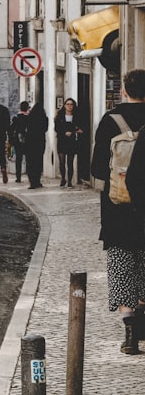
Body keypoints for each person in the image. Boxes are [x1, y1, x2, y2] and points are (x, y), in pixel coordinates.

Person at [89, 69, 145, 354]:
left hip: (118, 209)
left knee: (123, 268)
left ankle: (131, 334)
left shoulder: (110, 121)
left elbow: (98, 168)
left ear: (124, 91)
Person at [55, 98, 88, 187]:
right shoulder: (60, 115)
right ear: (64, 105)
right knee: (62, 162)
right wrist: (64, 132)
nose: (69, 106)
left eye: (71, 104)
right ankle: (63, 179)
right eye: (68, 104)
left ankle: (69, 181)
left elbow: (80, 128)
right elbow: (57, 128)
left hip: (72, 141)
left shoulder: (77, 116)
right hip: (62, 140)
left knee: (70, 162)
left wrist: (74, 131)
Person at [24, 102, 49, 189]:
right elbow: (45, 129)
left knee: (30, 162)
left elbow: (26, 128)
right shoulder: (45, 118)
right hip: (40, 141)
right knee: (38, 161)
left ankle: (32, 182)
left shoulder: (29, 117)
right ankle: (37, 181)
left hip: (30, 141)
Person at [10, 101, 30, 183]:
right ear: (27, 108)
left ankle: (18, 177)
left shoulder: (16, 118)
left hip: (18, 141)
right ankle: (30, 176)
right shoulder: (30, 118)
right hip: (28, 140)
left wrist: (11, 140)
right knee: (29, 159)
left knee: (19, 159)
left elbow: (11, 129)